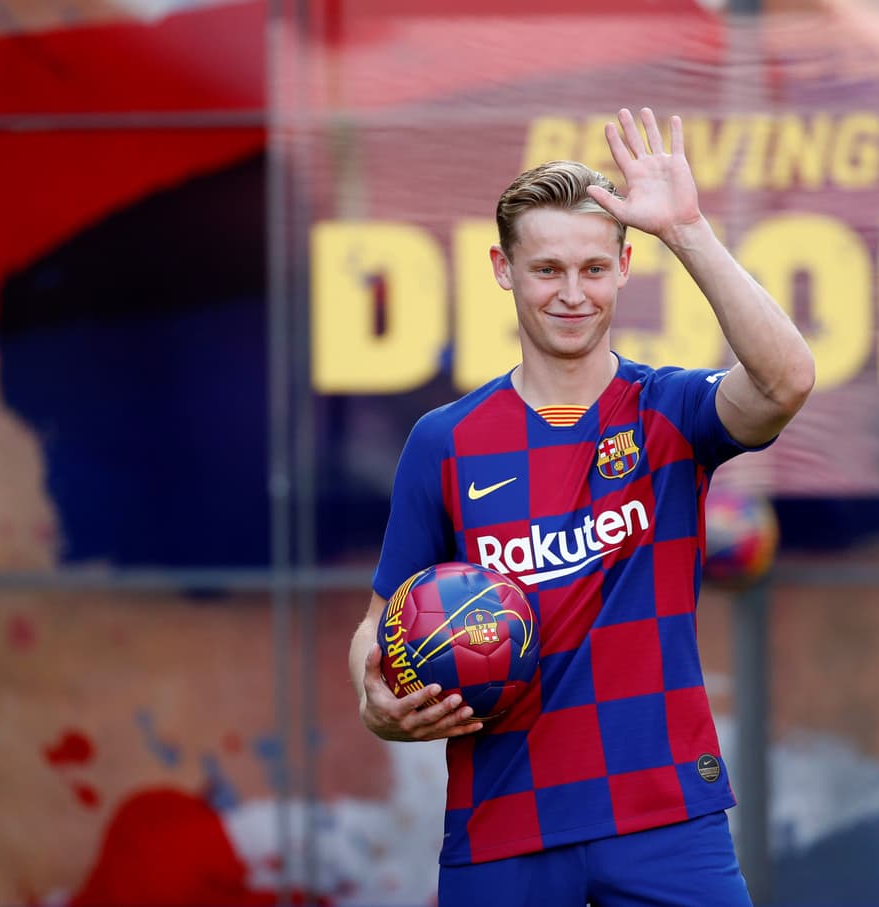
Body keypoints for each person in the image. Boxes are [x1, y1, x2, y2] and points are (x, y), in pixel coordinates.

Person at [349, 107, 815, 906]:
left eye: (594, 269)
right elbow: (383, 617)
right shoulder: (445, 441)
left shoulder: (669, 410)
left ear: (627, 265)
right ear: (503, 268)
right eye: (547, 269)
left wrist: (689, 230)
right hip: (502, 828)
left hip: (666, 816)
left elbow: (786, 382)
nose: (572, 293)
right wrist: (376, 695)